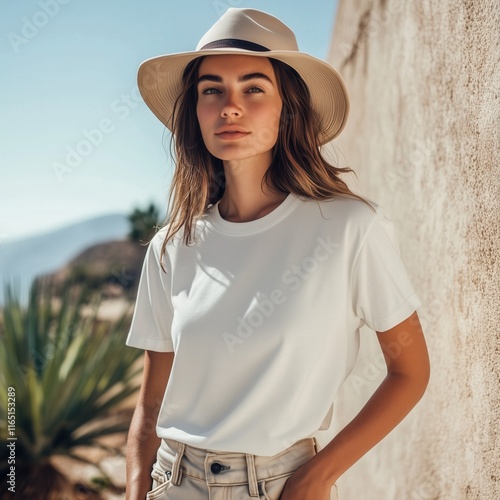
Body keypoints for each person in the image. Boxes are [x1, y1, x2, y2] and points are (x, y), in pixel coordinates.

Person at [125, 8, 430, 500]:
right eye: (211, 90)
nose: (230, 106)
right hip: (173, 483)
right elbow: (151, 407)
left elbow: (410, 372)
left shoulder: (350, 228)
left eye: (253, 88)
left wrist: (317, 476)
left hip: (281, 486)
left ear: (287, 108)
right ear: (195, 112)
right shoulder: (170, 246)